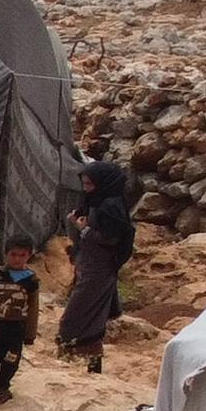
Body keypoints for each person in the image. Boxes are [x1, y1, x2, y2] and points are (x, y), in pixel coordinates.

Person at [59, 150, 134, 376]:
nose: (86, 188)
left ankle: (76, 359)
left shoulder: (110, 206)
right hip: (91, 266)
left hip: (100, 269)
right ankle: (89, 366)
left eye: (90, 183)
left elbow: (111, 238)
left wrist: (85, 229)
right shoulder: (98, 200)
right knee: (91, 315)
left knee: (77, 315)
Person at [0, 238, 40, 405]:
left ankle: (4, 386)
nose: (17, 259)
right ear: (5, 255)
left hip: (16, 329)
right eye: (13, 254)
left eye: (22, 255)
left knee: (11, 359)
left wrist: (30, 334)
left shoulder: (30, 281)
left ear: (29, 256)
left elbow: (33, 308)